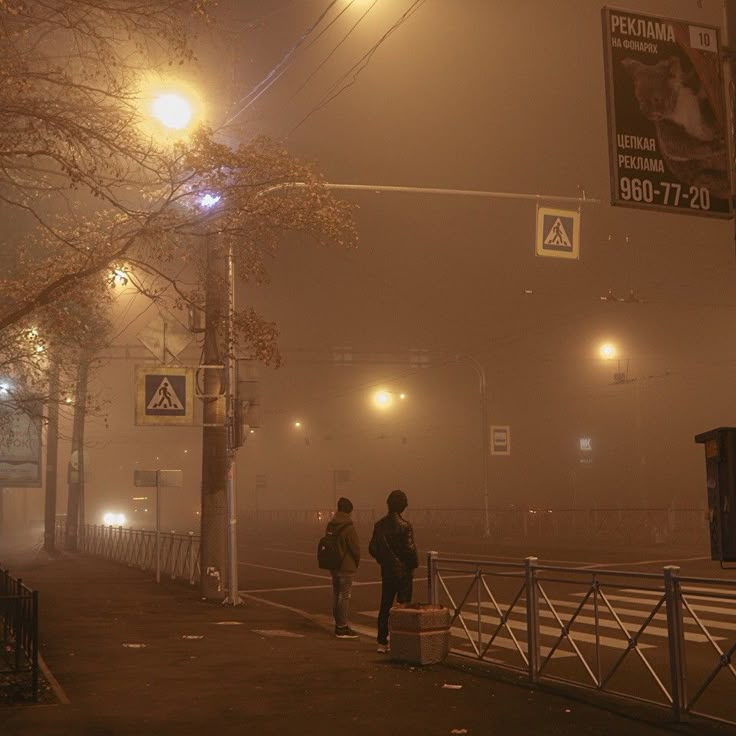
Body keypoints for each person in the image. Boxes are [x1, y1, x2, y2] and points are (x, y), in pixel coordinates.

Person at [368, 489, 418, 653]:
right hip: (403, 573)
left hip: (387, 571)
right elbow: (410, 550)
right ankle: (402, 641)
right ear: (403, 506)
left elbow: (372, 548)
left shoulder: (379, 525)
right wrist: (412, 564)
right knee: (403, 608)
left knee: (385, 606)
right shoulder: (405, 526)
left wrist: (384, 560)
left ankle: (382, 642)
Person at [326, 497, 361, 639]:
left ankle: (337, 623)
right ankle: (342, 627)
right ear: (349, 511)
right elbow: (355, 549)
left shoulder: (331, 524)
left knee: (336, 594)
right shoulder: (348, 526)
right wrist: (356, 563)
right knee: (344, 596)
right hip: (346, 566)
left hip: (333, 564)